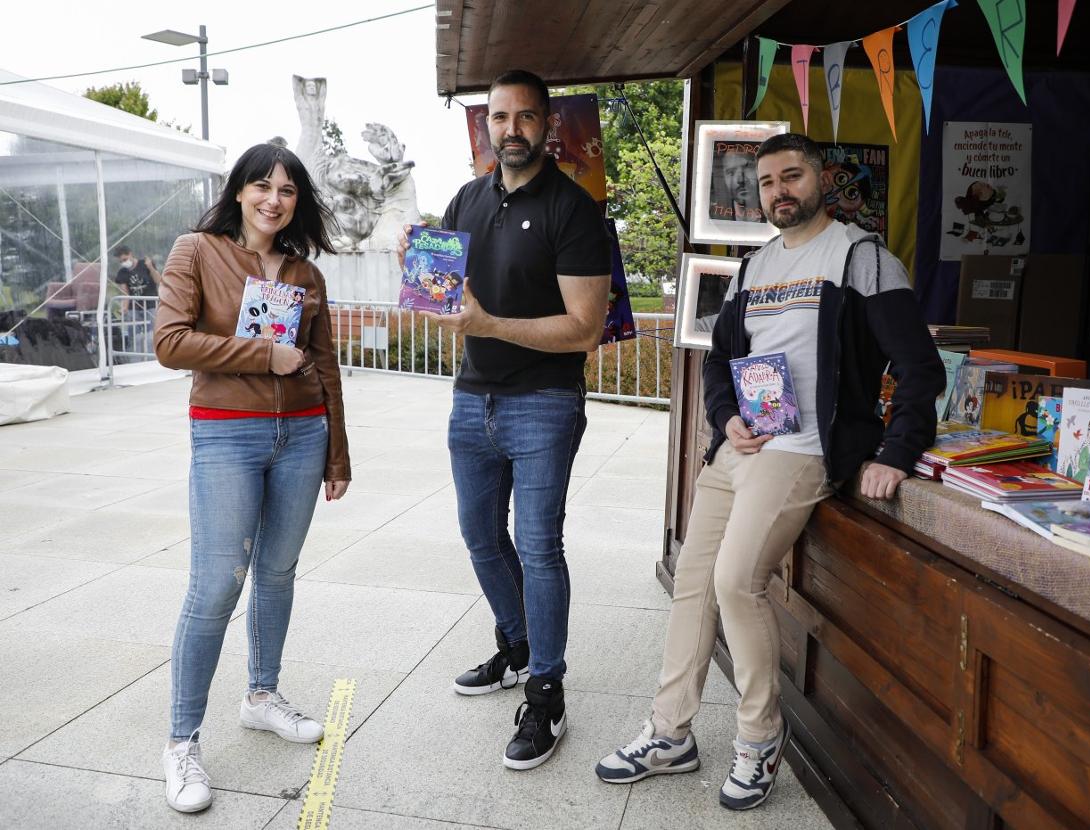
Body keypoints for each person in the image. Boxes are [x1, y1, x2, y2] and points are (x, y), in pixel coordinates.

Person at [596, 132, 944, 810]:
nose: (779, 191)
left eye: (792, 176)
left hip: (802, 450)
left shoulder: (860, 257)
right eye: (766, 182)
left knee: (736, 580)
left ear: (821, 180)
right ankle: (670, 733)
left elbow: (918, 365)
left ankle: (759, 739)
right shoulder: (753, 269)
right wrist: (725, 418)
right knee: (693, 583)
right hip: (740, 449)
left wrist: (896, 452)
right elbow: (723, 360)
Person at [397, 69, 610, 771]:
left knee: (538, 544)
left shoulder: (576, 211)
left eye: (524, 117)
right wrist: (419, 270)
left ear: (548, 126)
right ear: (485, 126)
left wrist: (490, 322)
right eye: (498, 118)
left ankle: (547, 691)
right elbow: (446, 293)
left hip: (545, 402)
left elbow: (584, 329)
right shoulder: (467, 198)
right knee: (481, 535)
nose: (510, 129)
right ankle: (517, 649)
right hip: (472, 398)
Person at [153, 143, 351, 813]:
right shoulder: (197, 251)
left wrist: (338, 454)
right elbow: (170, 342)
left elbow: (325, 367)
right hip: (225, 433)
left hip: (303, 435)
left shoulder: (305, 273)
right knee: (215, 585)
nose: (274, 199)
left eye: (288, 190)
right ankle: (181, 742)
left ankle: (262, 695)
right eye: (262, 186)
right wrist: (266, 353)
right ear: (239, 191)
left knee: (277, 573)